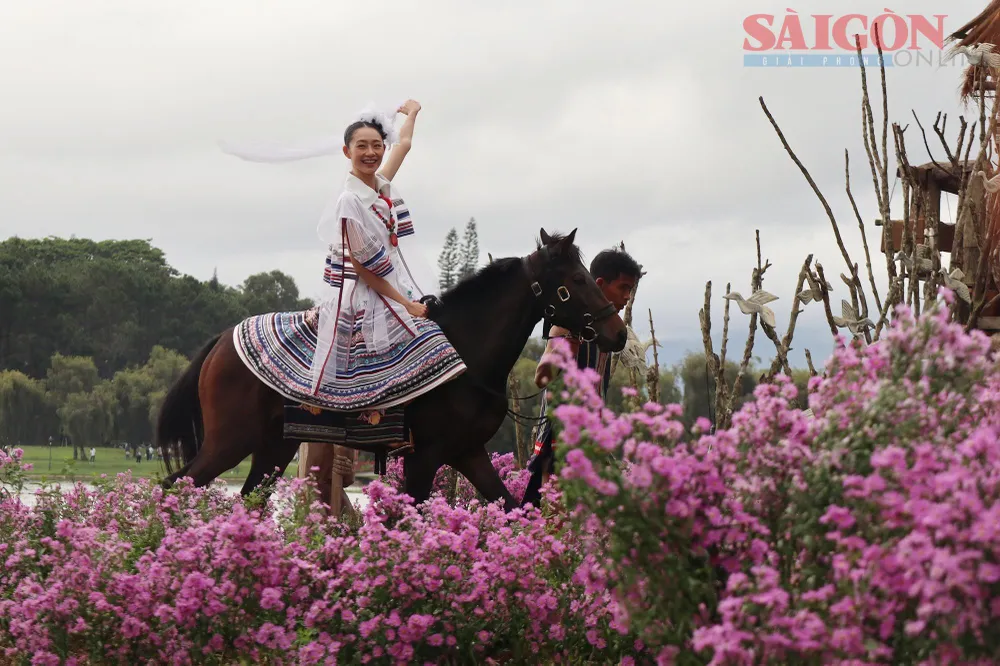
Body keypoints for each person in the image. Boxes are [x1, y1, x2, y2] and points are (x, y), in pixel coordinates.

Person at [520, 247, 642, 508]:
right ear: (600, 284)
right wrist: (562, 352)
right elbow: (541, 379)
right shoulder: (567, 325)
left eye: (630, 290)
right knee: (553, 514)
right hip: (562, 438)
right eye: (623, 288)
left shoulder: (606, 331)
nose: (627, 297)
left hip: (593, 436)